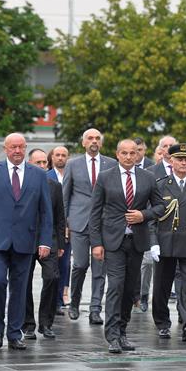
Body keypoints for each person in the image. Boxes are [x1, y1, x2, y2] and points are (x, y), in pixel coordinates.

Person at [0, 133, 53, 350]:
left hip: (26, 240)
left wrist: (45, 241)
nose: (17, 151)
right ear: (5, 148)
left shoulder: (38, 174)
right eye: (13, 147)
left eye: (21, 147)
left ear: (25, 148)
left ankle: (14, 333)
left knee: (20, 289)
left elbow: (46, 212)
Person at [90, 139, 165, 353]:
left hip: (137, 240)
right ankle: (112, 335)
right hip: (113, 241)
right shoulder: (105, 178)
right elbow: (95, 213)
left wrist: (144, 215)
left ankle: (122, 332)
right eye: (124, 153)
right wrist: (96, 243)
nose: (129, 157)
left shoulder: (148, 177)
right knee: (115, 285)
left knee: (130, 289)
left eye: (133, 153)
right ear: (117, 154)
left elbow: (160, 206)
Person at [63, 129, 116, 322]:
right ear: (83, 143)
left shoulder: (111, 164)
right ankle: (75, 303)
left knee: (100, 267)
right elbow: (65, 196)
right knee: (80, 264)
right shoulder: (72, 164)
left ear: (101, 143)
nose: (94, 141)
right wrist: (65, 223)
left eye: (97, 138)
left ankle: (95, 308)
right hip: (79, 222)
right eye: (90, 138)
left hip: (104, 222)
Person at [150, 143, 186, 340]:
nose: (183, 163)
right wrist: (153, 242)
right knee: (162, 286)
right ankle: (162, 323)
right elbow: (153, 217)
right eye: (179, 159)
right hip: (166, 242)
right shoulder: (161, 185)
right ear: (171, 161)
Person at [23, 149, 66, 340]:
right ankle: (28, 324)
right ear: (29, 164)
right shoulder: (21, 184)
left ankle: (46, 323)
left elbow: (59, 217)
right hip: (24, 240)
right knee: (24, 282)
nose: (42, 166)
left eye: (44, 163)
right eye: (37, 162)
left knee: (52, 278)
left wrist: (61, 243)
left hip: (49, 240)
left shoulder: (54, 186)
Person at [138, 135, 179, 312]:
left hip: (178, 231)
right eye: (165, 146)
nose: (168, 149)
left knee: (179, 272)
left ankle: (183, 312)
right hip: (155, 228)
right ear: (160, 150)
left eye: (172, 145)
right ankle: (144, 296)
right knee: (150, 267)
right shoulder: (151, 172)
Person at [47, 146, 71, 314]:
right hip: (53, 226)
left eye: (64, 155)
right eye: (57, 155)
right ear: (52, 157)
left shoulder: (72, 175)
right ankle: (52, 300)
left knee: (65, 264)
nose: (61, 158)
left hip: (70, 225)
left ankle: (60, 299)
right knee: (53, 265)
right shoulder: (46, 176)